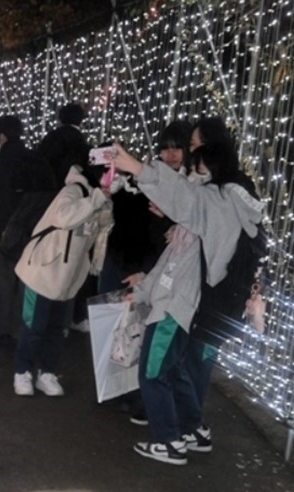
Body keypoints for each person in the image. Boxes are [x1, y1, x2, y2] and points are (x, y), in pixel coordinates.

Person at [111, 128, 263, 466]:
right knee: (173, 369)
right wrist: (143, 290)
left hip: (178, 306)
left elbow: (185, 199)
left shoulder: (218, 202)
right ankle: (193, 429)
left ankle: (169, 442)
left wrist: (136, 166)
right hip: (180, 302)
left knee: (152, 373)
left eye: (196, 156)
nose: (189, 168)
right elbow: (174, 259)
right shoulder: (219, 206)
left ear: (212, 160)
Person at [101, 120, 192, 422]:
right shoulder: (149, 178)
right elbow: (132, 223)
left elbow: (178, 241)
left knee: (147, 341)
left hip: (159, 276)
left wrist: (145, 272)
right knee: (123, 331)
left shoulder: (189, 188)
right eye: (165, 148)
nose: (170, 154)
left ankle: (144, 402)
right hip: (129, 262)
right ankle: (120, 390)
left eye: (177, 147)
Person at [182, 117, 262, 450]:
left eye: (195, 145)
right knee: (197, 355)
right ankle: (191, 423)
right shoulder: (229, 183)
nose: (191, 152)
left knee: (197, 355)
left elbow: (228, 241)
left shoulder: (227, 188)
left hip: (218, 287)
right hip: (222, 288)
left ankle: (191, 424)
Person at [12, 160, 114, 397]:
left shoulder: (97, 197)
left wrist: (105, 203)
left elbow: (103, 229)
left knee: (58, 328)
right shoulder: (73, 190)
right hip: (44, 270)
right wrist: (97, 199)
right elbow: (64, 217)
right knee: (34, 325)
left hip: (69, 276)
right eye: (112, 173)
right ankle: (22, 371)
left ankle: (47, 373)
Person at [0, 115, 55, 342]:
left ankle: (3, 328)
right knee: (28, 280)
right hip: (34, 229)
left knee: (5, 279)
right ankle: (24, 326)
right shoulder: (38, 161)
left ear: (2, 135)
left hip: (7, 231)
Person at [38, 103, 91, 189]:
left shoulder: (51, 137)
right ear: (80, 119)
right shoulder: (78, 139)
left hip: (48, 187)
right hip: (71, 188)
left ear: (61, 119)